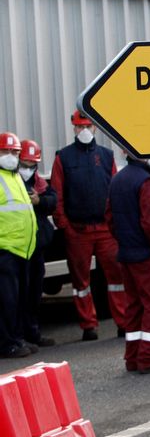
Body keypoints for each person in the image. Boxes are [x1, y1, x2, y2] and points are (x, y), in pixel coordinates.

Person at [51, 111, 127, 340]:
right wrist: (65, 225)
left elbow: (114, 189)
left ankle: (123, 322)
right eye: (79, 127)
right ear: (73, 128)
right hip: (78, 231)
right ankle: (88, 326)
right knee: (80, 282)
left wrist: (114, 223)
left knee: (116, 278)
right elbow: (57, 193)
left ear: (95, 128)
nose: (84, 131)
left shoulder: (106, 156)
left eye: (88, 126)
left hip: (105, 229)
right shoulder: (63, 157)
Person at [107, 153, 150, 374]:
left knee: (134, 307)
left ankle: (133, 356)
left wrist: (125, 241)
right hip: (148, 255)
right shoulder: (145, 181)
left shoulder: (118, 179)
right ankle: (149, 357)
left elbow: (109, 217)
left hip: (127, 254)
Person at [0, 132, 37, 359]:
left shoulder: (14, 177)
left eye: (15, 152)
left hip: (22, 249)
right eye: (6, 152)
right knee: (6, 301)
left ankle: (16, 338)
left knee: (18, 300)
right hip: (5, 249)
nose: (11, 156)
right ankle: (7, 344)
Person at [18, 139, 57, 348]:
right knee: (17, 293)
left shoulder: (37, 181)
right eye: (25, 164)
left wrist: (39, 201)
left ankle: (32, 332)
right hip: (16, 247)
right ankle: (18, 336)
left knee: (34, 291)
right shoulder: (10, 181)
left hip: (36, 245)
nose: (28, 169)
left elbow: (52, 199)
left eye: (32, 165)